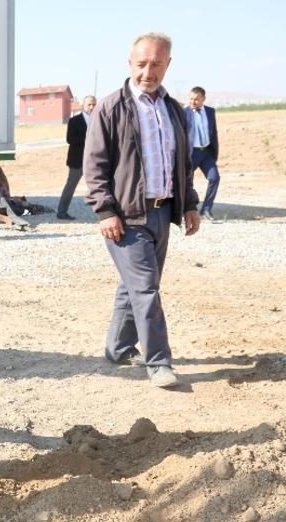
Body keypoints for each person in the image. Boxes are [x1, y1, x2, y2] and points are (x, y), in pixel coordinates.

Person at [84, 32, 200, 389]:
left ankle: (118, 348)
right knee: (146, 289)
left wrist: (190, 204)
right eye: (142, 63)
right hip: (126, 216)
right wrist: (105, 211)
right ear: (130, 63)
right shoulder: (110, 107)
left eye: (156, 64)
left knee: (133, 286)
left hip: (163, 212)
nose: (148, 71)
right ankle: (158, 361)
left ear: (168, 64)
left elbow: (183, 163)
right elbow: (95, 165)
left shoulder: (174, 109)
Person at [57, 95, 96, 220]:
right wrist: (88, 138)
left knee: (101, 185)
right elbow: (70, 139)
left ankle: (107, 213)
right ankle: (61, 212)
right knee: (70, 186)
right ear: (83, 105)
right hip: (77, 161)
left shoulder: (99, 119)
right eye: (89, 104)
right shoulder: (74, 121)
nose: (91, 107)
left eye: (94, 104)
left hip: (95, 160)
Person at [185, 86, 220, 222]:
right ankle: (186, 209)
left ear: (203, 99)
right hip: (191, 154)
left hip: (206, 153)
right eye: (191, 99)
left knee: (214, 178)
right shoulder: (184, 113)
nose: (193, 102)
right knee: (185, 182)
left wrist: (213, 154)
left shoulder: (210, 112)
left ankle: (206, 209)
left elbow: (214, 132)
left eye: (196, 99)